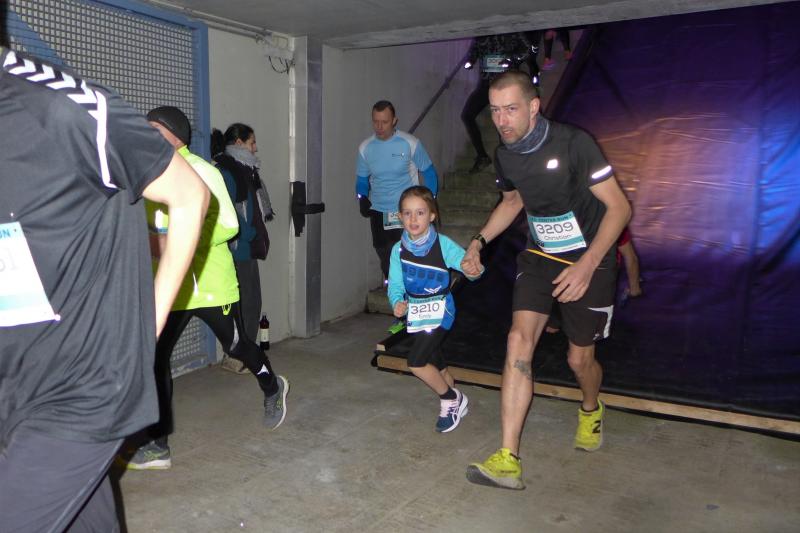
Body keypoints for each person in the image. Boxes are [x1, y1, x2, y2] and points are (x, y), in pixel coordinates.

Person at [0, 47, 209, 530]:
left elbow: (191, 196)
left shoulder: (63, 106)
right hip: (16, 380)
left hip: (84, 385)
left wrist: (147, 321)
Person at [461, 71, 631, 490]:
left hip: (590, 257)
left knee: (579, 360)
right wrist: (478, 241)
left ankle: (590, 408)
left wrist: (588, 264)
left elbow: (620, 208)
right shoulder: (505, 156)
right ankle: (508, 458)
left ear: (534, 106)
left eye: (511, 109)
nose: (501, 120)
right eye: (495, 111)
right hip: (539, 256)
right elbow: (512, 202)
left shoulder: (575, 144)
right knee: (518, 340)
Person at [124, 108, 290, 471]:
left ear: (176, 137)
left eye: (155, 130)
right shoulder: (145, 175)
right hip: (172, 286)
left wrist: (178, 241)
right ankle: (157, 444)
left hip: (210, 284)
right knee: (155, 359)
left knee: (237, 346)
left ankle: (272, 387)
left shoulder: (202, 171)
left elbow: (229, 224)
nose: (147, 135)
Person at [387, 186, 482, 433]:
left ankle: (450, 398)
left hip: (441, 311)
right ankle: (454, 393)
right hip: (417, 314)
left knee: (416, 362)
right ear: (400, 216)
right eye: (407, 213)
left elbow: (470, 267)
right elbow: (395, 285)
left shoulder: (443, 245)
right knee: (434, 359)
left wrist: (473, 269)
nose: (413, 219)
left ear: (431, 215)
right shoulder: (398, 250)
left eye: (420, 213)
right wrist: (397, 301)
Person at [356, 100, 439, 282]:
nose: (379, 127)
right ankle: (393, 287)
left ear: (394, 120)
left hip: (406, 211)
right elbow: (362, 179)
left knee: (407, 254)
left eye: (384, 122)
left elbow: (429, 173)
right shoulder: (365, 148)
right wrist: (362, 197)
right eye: (376, 122)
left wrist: (429, 201)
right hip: (379, 210)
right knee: (384, 254)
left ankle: (412, 290)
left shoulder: (410, 143)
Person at [213, 123, 274, 348]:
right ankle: (241, 354)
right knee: (246, 304)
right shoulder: (228, 172)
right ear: (239, 143)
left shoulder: (244, 171)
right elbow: (228, 209)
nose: (255, 148)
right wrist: (250, 233)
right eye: (252, 142)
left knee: (250, 303)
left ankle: (243, 352)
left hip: (247, 248)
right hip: (238, 249)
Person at [461, 33, 532, 173]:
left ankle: (508, 162)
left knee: (502, 121)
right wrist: (470, 61)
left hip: (505, 84)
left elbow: (527, 50)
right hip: (486, 84)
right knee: (467, 115)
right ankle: (482, 156)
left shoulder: (511, 32)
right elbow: (474, 52)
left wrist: (511, 58)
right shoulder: (482, 35)